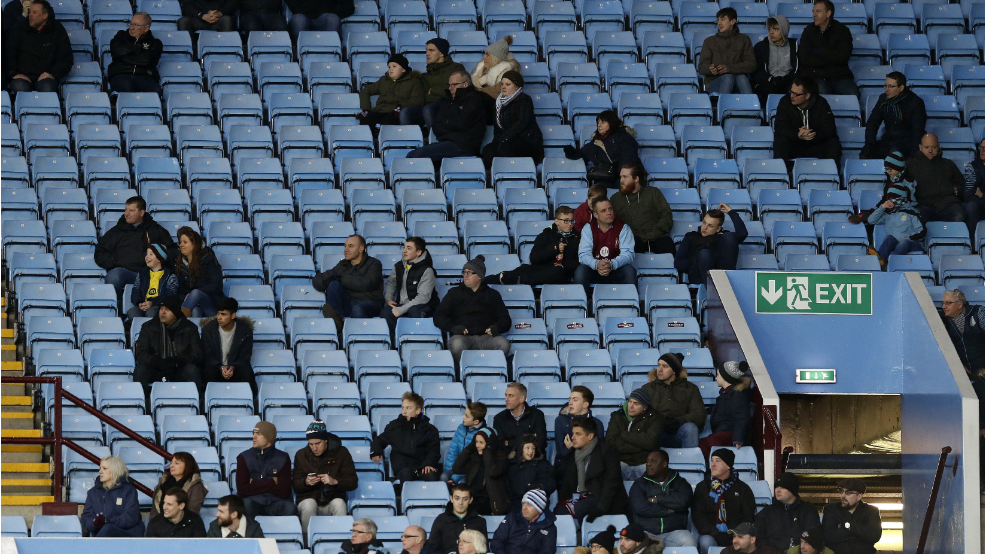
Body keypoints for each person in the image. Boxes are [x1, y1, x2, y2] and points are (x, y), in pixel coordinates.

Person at [95, 196, 176, 305]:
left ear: (142, 213)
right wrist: (117, 261)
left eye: (131, 210)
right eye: (126, 210)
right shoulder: (116, 231)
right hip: (127, 272)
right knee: (114, 276)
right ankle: (116, 310)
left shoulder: (156, 230)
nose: (126, 214)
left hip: (152, 274)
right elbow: (100, 253)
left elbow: (171, 251)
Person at [432, 255, 513, 364]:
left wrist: (497, 328)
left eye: (470, 272)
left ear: (479, 276)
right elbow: (439, 316)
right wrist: (453, 327)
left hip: (487, 338)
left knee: (503, 343)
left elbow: (505, 320)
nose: (465, 276)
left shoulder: (493, 295)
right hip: (464, 338)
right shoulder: (454, 293)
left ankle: (491, 371)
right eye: (464, 272)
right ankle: (463, 371)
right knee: (457, 344)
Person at [555, 418, 629, 523]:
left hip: (603, 499)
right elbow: (567, 483)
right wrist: (562, 502)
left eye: (578, 434)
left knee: (581, 507)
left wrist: (601, 508)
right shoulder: (573, 454)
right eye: (573, 433)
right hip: (581, 497)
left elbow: (611, 483)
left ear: (590, 436)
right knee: (560, 511)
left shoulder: (608, 451)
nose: (573, 437)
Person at [484, 206, 580, 286]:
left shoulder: (577, 237)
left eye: (572, 221)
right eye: (566, 221)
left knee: (557, 271)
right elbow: (534, 258)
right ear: (556, 221)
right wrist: (554, 249)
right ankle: (488, 280)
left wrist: (564, 265)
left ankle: (519, 280)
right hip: (541, 269)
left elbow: (580, 260)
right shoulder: (546, 235)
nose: (570, 224)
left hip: (563, 272)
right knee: (524, 268)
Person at [406, 71, 487, 165]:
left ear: (465, 84)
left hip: (464, 146)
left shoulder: (474, 100)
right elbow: (436, 125)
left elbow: (461, 124)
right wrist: (448, 125)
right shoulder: (448, 100)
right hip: (447, 142)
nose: (450, 88)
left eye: (454, 85)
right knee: (413, 156)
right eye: (449, 85)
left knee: (415, 156)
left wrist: (446, 124)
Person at [293, 420, 358, 535]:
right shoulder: (301, 455)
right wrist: (306, 482)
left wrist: (335, 482)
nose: (314, 448)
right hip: (308, 498)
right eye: (311, 444)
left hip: (332, 498)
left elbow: (353, 482)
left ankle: (342, 540)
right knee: (309, 504)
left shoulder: (341, 453)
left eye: (318, 443)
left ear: (326, 440)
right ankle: (307, 540)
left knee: (339, 503)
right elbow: (295, 485)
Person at [133, 296, 205, 394]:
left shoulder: (190, 328)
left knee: (192, 370)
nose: (162, 312)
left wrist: (178, 361)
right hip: (156, 368)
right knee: (140, 370)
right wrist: (157, 362)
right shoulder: (148, 327)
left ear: (175, 311)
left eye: (167, 309)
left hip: (179, 368)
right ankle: (141, 404)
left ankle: (195, 403)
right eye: (161, 309)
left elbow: (198, 354)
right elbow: (141, 353)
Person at [692, 449, 758, 554]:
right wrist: (715, 533)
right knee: (705, 542)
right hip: (711, 534)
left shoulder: (742, 489)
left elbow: (748, 516)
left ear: (728, 466)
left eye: (718, 461)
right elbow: (698, 516)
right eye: (712, 460)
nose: (713, 464)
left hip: (736, 535)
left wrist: (735, 534)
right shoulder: (703, 487)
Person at [312, 234, 385, 327]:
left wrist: (342, 278)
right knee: (333, 284)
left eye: (350, 246)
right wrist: (327, 282)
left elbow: (366, 284)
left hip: (370, 302)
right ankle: (336, 320)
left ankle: (358, 337)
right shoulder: (343, 264)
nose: (346, 250)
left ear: (361, 249)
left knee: (357, 308)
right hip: (349, 302)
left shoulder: (374, 263)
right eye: (345, 246)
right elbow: (317, 280)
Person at [865, 152, 925, 264]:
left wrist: (909, 238)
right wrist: (883, 207)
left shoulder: (912, 213)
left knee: (904, 243)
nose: (887, 172)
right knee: (889, 238)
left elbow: (922, 232)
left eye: (890, 169)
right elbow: (871, 220)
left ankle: (890, 262)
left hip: (911, 243)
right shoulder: (889, 213)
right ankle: (881, 261)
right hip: (897, 242)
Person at [628, 450, 697, 548]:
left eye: (653, 461)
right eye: (647, 461)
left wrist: (656, 499)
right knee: (634, 542)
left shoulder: (680, 482)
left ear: (664, 464)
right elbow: (640, 508)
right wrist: (667, 511)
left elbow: (683, 502)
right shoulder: (640, 484)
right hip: (647, 532)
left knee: (689, 541)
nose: (648, 464)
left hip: (675, 532)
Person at [371, 391, 441, 482]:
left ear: (418, 411)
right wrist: (375, 452)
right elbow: (379, 440)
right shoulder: (395, 427)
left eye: (408, 408)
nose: (404, 411)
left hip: (423, 467)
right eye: (403, 407)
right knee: (406, 474)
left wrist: (429, 464)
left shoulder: (430, 430)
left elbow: (434, 451)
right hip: (403, 468)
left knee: (432, 475)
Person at [772, 76, 841, 167]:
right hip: (795, 144)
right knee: (779, 141)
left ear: (807, 96)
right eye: (791, 92)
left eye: (796, 94)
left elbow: (829, 129)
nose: (792, 96)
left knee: (833, 143)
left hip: (815, 144)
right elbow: (780, 127)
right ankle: (782, 177)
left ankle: (831, 176)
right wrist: (797, 134)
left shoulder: (821, 103)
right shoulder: (785, 102)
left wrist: (812, 135)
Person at [5, 0, 72, 93]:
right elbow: (9, 53)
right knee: (19, 86)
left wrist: (52, 74)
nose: (30, 15)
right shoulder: (19, 28)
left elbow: (66, 57)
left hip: (46, 77)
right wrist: (14, 73)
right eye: (30, 12)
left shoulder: (57, 30)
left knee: (47, 87)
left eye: (34, 12)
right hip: (22, 77)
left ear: (45, 16)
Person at [481, 71, 544, 168]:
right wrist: (497, 142)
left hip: (527, 140)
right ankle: (495, 178)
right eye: (502, 84)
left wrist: (504, 139)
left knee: (504, 150)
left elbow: (522, 123)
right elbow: (498, 128)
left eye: (508, 84)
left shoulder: (524, 99)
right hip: (506, 141)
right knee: (487, 151)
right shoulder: (498, 103)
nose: (503, 87)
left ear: (516, 87)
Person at [401, 38, 468, 128]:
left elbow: (455, 90)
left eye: (431, 50)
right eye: (427, 50)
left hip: (449, 106)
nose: (427, 54)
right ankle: (411, 140)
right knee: (406, 112)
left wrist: (432, 90)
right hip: (429, 105)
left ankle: (436, 139)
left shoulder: (455, 68)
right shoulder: (426, 74)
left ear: (441, 53)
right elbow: (423, 95)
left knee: (428, 109)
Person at [643, 352, 706, 448]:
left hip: (679, 431)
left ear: (674, 371)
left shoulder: (690, 388)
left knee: (690, 428)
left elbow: (699, 414)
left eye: (665, 366)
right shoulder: (648, 388)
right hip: (656, 433)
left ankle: (691, 461)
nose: (659, 369)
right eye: (659, 365)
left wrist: (679, 421)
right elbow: (638, 411)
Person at [674, 204, 748, 286]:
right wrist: (695, 261)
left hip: (722, 274)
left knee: (729, 236)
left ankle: (725, 285)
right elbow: (678, 263)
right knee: (704, 254)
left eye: (710, 226)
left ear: (718, 229)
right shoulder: (691, 236)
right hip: (701, 275)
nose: (704, 228)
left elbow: (742, 233)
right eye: (704, 223)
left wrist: (731, 212)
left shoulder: (722, 237)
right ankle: (716, 290)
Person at [236, 421, 298, 518]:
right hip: (252, 502)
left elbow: (284, 491)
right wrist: (271, 482)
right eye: (253, 433)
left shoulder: (283, 458)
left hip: (276, 502)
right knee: (246, 505)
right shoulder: (243, 458)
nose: (254, 437)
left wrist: (254, 483)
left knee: (290, 508)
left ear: (269, 437)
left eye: (258, 434)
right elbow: (242, 490)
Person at [575, 196, 638, 290]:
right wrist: (596, 264)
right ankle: (581, 303)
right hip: (595, 270)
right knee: (581, 270)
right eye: (603, 211)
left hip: (616, 269)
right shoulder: (588, 228)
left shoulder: (623, 228)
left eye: (610, 209)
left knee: (629, 270)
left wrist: (612, 264)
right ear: (595, 214)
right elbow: (583, 254)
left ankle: (630, 303)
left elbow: (628, 254)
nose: (609, 213)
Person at [797, 0, 859, 97]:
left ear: (828, 13)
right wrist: (830, 57)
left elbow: (843, 57)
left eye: (818, 11)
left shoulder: (842, 31)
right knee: (822, 94)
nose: (814, 15)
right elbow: (805, 58)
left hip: (840, 77)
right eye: (813, 11)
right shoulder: (808, 31)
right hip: (816, 76)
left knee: (853, 94)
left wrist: (818, 51)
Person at [563, 111, 641, 186]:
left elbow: (628, 161)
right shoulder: (598, 139)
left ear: (611, 123)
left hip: (624, 175)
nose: (599, 125)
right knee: (599, 190)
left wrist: (617, 174)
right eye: (598, 122)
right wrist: (570, 151)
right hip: (605, 176)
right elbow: (584, 153)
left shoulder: (624, 138)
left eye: (603, 122)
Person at [612, 164, 675, 255]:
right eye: (621, 177)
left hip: (655, 236)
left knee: (667, 245)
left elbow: (666, 215)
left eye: (625, 177)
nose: (621, 180)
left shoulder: (653, 193)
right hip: (631, 239)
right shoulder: (615, 199)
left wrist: (653, 233)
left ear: (636, 179)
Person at [861, 72, 926, 160]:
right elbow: (872, 123)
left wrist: (914, 154)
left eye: (891, 86)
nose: (887, 89)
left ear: (901, 87)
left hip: (906, 143)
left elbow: (917, 131)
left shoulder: (915, 103)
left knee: (893, 155)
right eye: (886, 86)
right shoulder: (883, 99)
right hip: (888, 140)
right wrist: (869, 144)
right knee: (865, 154)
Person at [382, 237, 439, 333]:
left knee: (414, 311)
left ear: (418, 252)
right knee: (386, 312)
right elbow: (391, 283)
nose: (404, 251)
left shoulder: (427, 270)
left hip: (425, 305)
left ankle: (418, 340)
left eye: (409, 248)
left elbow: (423, 298)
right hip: (403, 304)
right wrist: (389, 299)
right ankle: (393, 343)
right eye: (404, 247)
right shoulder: (399, 266)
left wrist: (401, 310)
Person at [201, 297, 257, 394]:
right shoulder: (209, 330)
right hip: (216, 368)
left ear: (233, 315)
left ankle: (249, 402)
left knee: (246, 371)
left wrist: (233, 367)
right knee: (208, 371)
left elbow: (245, 357)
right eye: (218, 313)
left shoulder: (245, 331)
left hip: (235, 369)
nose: (219, 317)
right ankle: (206, 402)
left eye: (223, 314)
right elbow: (208, 356)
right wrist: (221, 367)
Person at [699, 361, 754, 458]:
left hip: (728, 434)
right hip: (722, 431)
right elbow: (722, 409)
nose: (716, 378)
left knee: (701, 448)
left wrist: (738, 439)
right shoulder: (727, 393)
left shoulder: (737, 395)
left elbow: (742, 417)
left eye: (718, 375)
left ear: (725, 378)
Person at [606, 388, 662, 481]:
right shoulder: (617, 416)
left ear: (644, 407)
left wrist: (624, 434)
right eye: (630, 401)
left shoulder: (656, 418)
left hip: (644, 462)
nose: (631, 406)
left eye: (636, 403)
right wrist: (640, 446)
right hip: (622, 461)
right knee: (611, 467)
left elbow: (650, 442)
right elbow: (611, 443)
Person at [909, 133, 967, 223]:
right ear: (920, 147)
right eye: (926, 147)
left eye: (934, 147)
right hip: (922, 204)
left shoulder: (948, 164)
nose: (930, 151)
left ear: (938, 147)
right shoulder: (911, 165)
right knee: (916, 217)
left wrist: (956, 191)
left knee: (959, 214)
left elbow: (961, 184)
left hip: (947, 204)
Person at [81, 455, 145, 537]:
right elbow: (86, 517)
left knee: (108, 529)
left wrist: (107, 521)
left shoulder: (129, 490)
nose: (100, 472)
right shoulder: (92, 493)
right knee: (106, 529)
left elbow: (130, 517)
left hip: (128, 535)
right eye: (100, 468)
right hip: (103, 535)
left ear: (115, 470)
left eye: (104, 468)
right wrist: (94, 523)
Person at [756, 472, 820, 552]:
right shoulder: (767, 512)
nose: (778, 490)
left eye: (782, 487)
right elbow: (759, 538)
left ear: (792, 490)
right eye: (776, 487)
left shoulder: (807, 510)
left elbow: (812, 537)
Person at [452, 427, 511, 515]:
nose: (477, 445)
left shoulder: (500, 457)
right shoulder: (475, 457)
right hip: (472, 499)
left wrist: (487, 450)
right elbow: (456, 468)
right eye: (476, 442)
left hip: (490, 502)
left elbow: (493, 471)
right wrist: (469, 449)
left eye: (481, 442)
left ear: (490, 444)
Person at [358, 54, 426, 128]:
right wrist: (366, 109)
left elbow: (418, 100)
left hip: (397, 112)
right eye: (389, 67)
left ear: (403, 69)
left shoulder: (414, 82)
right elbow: (365, 91)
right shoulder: (383, 80)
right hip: (380, 110)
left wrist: (401, 106)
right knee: (365, 122)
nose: (391, 69)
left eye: (394, 66)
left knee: (387, 122)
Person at [698, 8, 756, 95]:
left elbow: (752, 65)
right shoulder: (709, 41)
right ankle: (723, 106)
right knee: (728, 78)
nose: (719, 23)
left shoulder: (744, 39)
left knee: (742, 78)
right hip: (715, 82)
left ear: (732, 22)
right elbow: (701, 67)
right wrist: (710, 68)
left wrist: (729, 68)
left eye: (723, 19)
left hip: (738, 81)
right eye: (718, 20)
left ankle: (751, 107)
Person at [820, 479, 882, 554]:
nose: (843, 495)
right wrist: (859, 533)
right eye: (842, 491)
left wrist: (845, 526)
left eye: (848, 493)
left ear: (859, 496)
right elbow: (827, 537)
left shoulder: (871, 511)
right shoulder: (831, 509)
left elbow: (874, 536)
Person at [175, 226, 224, 317]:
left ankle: (179, 322)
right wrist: (190, 298)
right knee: (195, 309)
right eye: (180, 242)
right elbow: (180, 291)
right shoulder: (180, 264)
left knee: (196, 293)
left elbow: (217, 285)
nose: (181, 245)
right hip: (193, 306)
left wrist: (195, 296)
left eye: (185, 242)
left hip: (212, 305)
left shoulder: (208, 259)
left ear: (194, 244)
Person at [108, 13, 163, 94]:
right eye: (131, 24)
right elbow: (116, 52)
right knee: (126, 90)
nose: (131, 27)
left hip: (145, 76)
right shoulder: (121, 36)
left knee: (155, 92)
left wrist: (125, 56)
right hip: (121, 74)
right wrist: (138, 48)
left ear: (146, 28)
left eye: (136, 25)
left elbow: (147, 61)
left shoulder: (155, 43)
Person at [490, 489, 558, 554]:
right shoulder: (512, 517)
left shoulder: (549, 527)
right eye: (523, 504)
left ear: (539, 508)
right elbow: (497, 542)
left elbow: (547, 551)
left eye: (529, 505)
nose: (524, 508)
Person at [492, 382, 548, 458]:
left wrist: (509, 442)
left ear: (522, 399)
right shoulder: (499, 418)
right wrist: (529, 437)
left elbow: (540, 442)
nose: (506, 399)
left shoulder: (537, 415)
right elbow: (500, 446)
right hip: (509, 462)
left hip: (533, 462)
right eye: (506, 395)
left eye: (511, 396)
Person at [428, 484, 488, 554]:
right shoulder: (441, 520)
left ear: (470, 500)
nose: (460, 503)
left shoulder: (479, 521)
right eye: (457, 498)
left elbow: (483, 548)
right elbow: (432, 547)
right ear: (451, 499)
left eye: (465, 499)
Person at [554, 385, 606, 465]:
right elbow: (562, 452)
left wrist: (572, 448)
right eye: (569, 399)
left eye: (575, 400)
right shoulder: (560, 421)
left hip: (590, 466)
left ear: (585, 405)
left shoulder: (597, 423)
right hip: (566, 465)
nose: (570, 403)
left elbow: (597, 452)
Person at [939, 289, 985, 377]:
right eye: (943, 303)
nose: (943, 307)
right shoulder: (940, 320)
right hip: (958, 373)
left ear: (959, 304)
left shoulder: (978, 312)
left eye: (948, 303)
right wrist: (955, 364)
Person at [751, 16, 797, 104]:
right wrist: (770, 80)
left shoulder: (795, 47)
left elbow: (797, 70)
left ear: (784, 30)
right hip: (767, 82)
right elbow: (758, 71)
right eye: (769, 29)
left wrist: (785, 79)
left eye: (776, 29)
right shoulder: (760, 47)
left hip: (789, 82)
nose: (771, 32)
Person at [127, 244, 178, 321]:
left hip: (159, 305)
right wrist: (140, 302)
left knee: (151, 313)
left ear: (160, 259)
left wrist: (152, 302)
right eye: (146, 254)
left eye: (151, 254)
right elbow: (135, 290)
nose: (147, 257)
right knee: (132, 312)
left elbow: (170, 295)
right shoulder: (142, 273)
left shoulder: (170, 275)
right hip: (143, 304)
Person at [149, 451, 206, 519]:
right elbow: (154, 509)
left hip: (182, 526)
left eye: (177, 463)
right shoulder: (163, 482)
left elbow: (192, 512)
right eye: (171, 463)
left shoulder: (195, 485)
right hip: (159, 524)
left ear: (187, 465)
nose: (171, 466)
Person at [443, 402, 488, 483]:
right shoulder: (461, 428)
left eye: (467, 416)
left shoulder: (483, 434)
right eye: (464, 414)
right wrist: (450, 471)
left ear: (476, 422)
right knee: (444, 477)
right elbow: (453, 451)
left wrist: (455, 478)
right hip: (456, 468)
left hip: (470, 472)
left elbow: (476, 463)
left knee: (462, 483)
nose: (463, 417)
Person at [507, 434, 556, 503]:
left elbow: (550, 483)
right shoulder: (512, 466)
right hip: (516, 505)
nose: (531, 451)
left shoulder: (541, 464)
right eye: (528, 448)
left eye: (533, 448)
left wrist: (539, 487)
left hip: (537, 503)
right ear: (521, 449)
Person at [284, 0, 353, 41]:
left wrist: (330, 11)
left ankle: (329, 52)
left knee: (333, 19)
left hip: (327, 16)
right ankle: (300, 54)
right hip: (301, 14)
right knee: (299, 20)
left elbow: (349, 7)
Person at [963, 137, 985, 233]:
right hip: (979, 206)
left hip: (982, 200)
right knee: (971, 206)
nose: (982, 150)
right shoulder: (972, 166)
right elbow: (969, 193)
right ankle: (974, 241)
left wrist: (982, 195)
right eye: (981, 147)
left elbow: (978, 193)